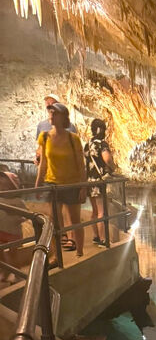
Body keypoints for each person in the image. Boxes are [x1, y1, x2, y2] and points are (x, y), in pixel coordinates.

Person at [35, 102, 87, 256]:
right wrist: (38, 184)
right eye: (50, 112)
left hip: (71, 184)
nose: (51, 115)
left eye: (55, 113)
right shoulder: (44, 137)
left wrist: (83, 187)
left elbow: (81, 165)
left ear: (63, 117)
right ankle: (56, 255)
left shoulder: (73, 139)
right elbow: (43, 163)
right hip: (52, 184)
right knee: (52, 222)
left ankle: (79, 252)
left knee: (75, 220)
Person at [84, 118, 115, 247]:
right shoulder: (102, 144)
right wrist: (113, 167)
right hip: (99, 181)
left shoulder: (88, 144)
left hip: (89, 182)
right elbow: (107, 159)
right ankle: (103, 239)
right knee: (102, 211)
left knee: (94, 211)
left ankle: (96, 236)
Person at [0, 166, 28, 280]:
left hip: (14, 232)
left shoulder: (18, 201)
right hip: (1, 231)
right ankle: (5, 270)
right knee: (0, 252)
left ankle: (18, 274)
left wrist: (16, 217)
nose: (2, 188)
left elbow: (26, 215)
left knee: (13, 254)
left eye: (5, 185)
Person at [35, 94, 77, 165]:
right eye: (48, 103)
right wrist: (37, 157)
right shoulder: (41, 125)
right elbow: (40, 146)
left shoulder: (70, 126)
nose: (50, 106)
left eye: (53, 103)